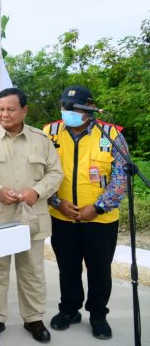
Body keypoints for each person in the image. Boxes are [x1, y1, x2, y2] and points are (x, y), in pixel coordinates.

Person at [0, 87, 63, 343]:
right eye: (0, 109)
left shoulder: (40, 140)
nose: (4, 114)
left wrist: (37, 191)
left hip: (31, 217)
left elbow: (55, 173)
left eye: (10, 109)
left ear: (24, 110)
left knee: (32, 270)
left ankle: (34, 318)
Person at [44, 86, 128, 340]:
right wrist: (57, 202)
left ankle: (99, 315)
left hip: (100, 220)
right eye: (63, 106)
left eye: (74, 108)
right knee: (67, 268)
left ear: (89, 110)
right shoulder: (49, 133)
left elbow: (121, 176)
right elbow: (37, 172)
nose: (67, 112)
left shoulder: (111, 134)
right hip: (62, 216)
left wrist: (98, 207)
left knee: (99, 269)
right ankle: (69, 310)